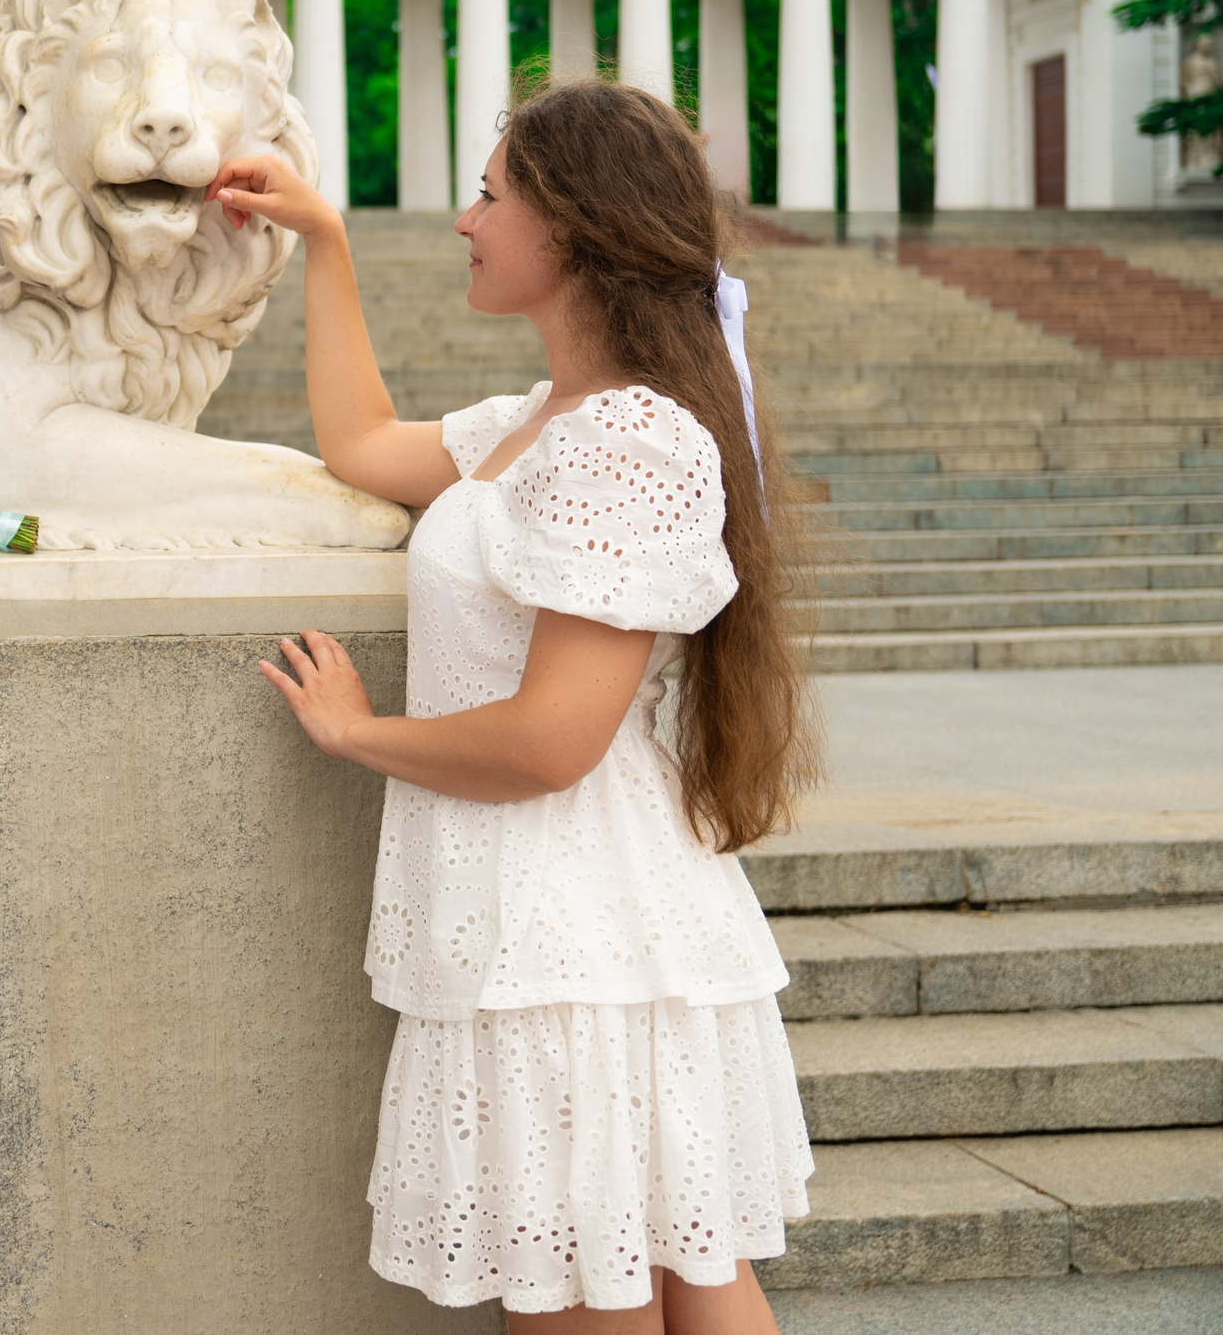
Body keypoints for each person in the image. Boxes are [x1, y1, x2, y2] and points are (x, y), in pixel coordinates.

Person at [208, 80, 816, 1334]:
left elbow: (551, 740)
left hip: (568, 935)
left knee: (603, 1299)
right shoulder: (537, 423)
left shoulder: (623, 440)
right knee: (675, 1286)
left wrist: (356, 731)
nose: (463, 219)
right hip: (550, 924)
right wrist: (321, 238)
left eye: (491, 194)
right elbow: (362, 440)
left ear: (576, 227)